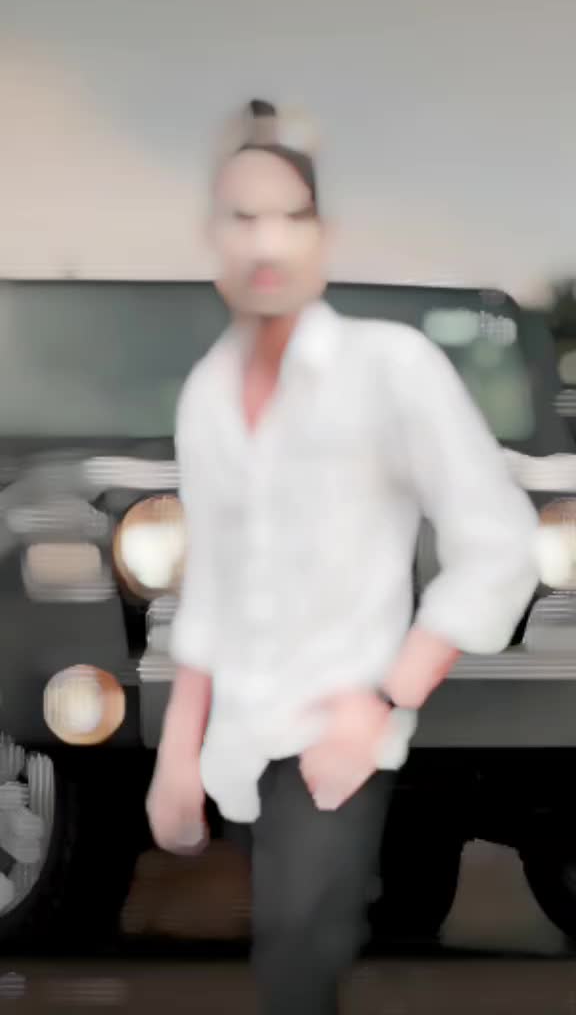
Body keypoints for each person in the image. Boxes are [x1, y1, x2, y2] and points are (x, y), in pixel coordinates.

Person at [146, 98, 539, 1014]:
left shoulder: (389, 368)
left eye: (292, 216)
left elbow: (499, 541)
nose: (267, 241)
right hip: (240, 739)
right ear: (213, 236)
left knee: (299, 957)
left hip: (336, 737)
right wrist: (177, 755)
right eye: (245, 217)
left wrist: (381, 702)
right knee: (283, 960)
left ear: (324, 235)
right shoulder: (207, 394)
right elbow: (212, 591)